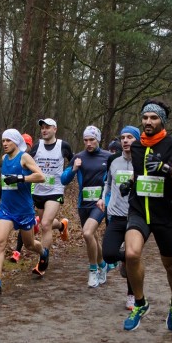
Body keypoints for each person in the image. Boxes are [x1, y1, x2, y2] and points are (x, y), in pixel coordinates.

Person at [120, 100, 172, 332]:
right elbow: (139, 173)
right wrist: (129, 183)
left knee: (171, 267)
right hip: (139, 210)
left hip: (165, 213)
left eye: (153, 118)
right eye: (145, 117)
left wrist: (167, 169)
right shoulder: (136, 147)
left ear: (162, 121)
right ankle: (140, 302)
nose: (148, 122)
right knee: (131, 254)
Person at [0, 130, 45, 295]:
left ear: (16, 142)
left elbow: (40, 176)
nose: (5, 143)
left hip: (24, 210)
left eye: (8, 140)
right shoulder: (3, 159)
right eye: (3, 140)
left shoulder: (24, 157)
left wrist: (21, 178)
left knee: (29, 245)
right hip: (6, 209)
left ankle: (43, 252)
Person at [62, 125, 111, 287]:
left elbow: (115, 180)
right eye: (86, 140)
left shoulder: (108, 157)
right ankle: (103, 264)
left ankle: (93, 270)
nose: (88, 143)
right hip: (84, 204)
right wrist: (74, 168)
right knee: (92, 236)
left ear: (98, 140)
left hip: (101, 203)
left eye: (92, 140)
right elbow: (64, 180)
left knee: (87, 233)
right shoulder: (78, 157)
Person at [98, 125, 139, 310]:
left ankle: (131, 295)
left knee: (132, 256)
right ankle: (126, 259)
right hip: (116, 215)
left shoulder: (143, 162)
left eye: (130, 137)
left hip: (135, 218)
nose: (125, 140)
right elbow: (107, 182)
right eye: (123, 137)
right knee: (108, 254)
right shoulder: (113, 160)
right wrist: (102, 198)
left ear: (137, 140)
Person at [29, 118, 73, 276]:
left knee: (46, 224)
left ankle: (43, 259)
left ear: (55, 129)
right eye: (42, 127)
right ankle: (62, 225)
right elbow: (26, 161)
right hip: (39, 190)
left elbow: (73, 161)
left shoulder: (63, 146)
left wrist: (68, 174)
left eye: (47, 127)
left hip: (56, 189)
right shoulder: (37, 147)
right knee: (45, 224)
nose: (44, 130)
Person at [10, 133, 39, 263]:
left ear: (30, 146)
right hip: (17, 196)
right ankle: (35, 223)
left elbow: (40, 176)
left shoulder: (30, 160)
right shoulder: (12, 158)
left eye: (27, 145)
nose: (24, 147)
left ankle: (17, 251)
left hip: (31, 196)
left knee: (22, 225)